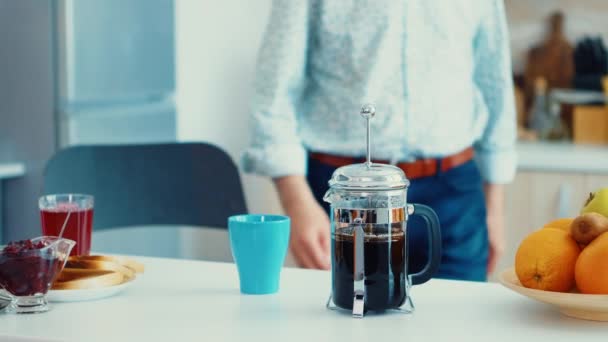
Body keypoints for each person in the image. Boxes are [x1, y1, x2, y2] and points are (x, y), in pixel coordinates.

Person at [242, 0, 516, 281]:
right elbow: (273, 91)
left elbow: (494, 82)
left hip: (454, 194)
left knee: (458, 321)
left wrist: (495, 208)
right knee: (346, 320)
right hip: (349, 196)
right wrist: (296, 202)